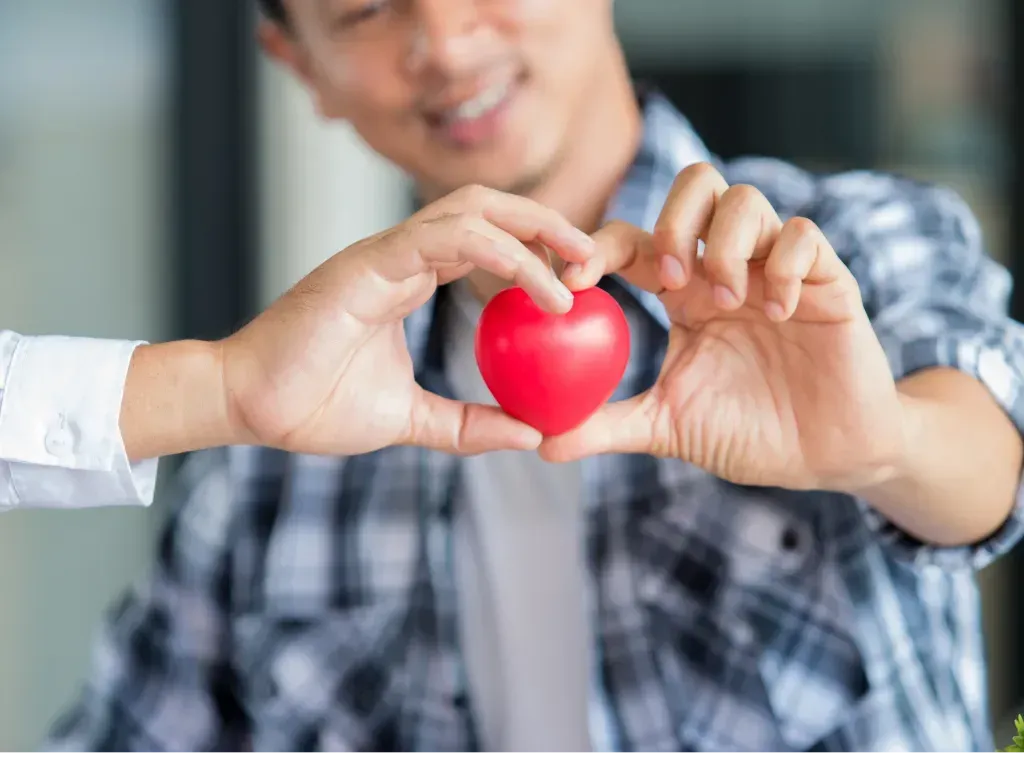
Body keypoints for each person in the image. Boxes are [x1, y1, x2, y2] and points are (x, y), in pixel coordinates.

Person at [42, 0, 1024, 758]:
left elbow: (990, 465)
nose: (446, 39)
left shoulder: (832, 257)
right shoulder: (276, 454)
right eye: (365, 9)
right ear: (303, 69)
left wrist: (883, 442)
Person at [0, 193, 587, 515]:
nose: (446, 42)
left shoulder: (681, 310)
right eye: (368, 9)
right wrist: (228, 389)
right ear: (292, 55)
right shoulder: (246, 490)